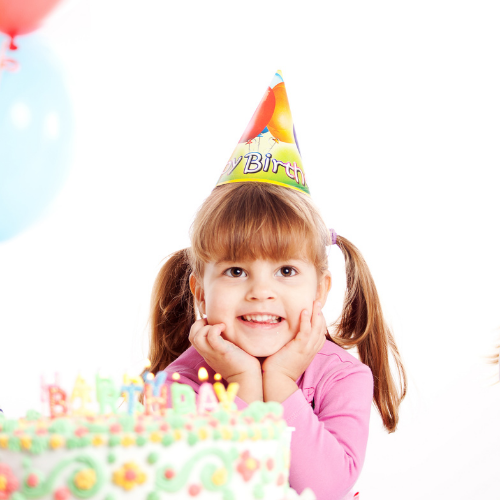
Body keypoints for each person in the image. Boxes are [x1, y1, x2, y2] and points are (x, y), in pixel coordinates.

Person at [144, 71, 407, 500]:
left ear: (321, 290)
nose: (260, 292)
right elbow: (232, 486)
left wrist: (281, 382)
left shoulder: (343, 378)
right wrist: (243, 380)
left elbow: (323, 486)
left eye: (285, 271)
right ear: (199, 291)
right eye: (235, 271)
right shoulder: (180, 386)